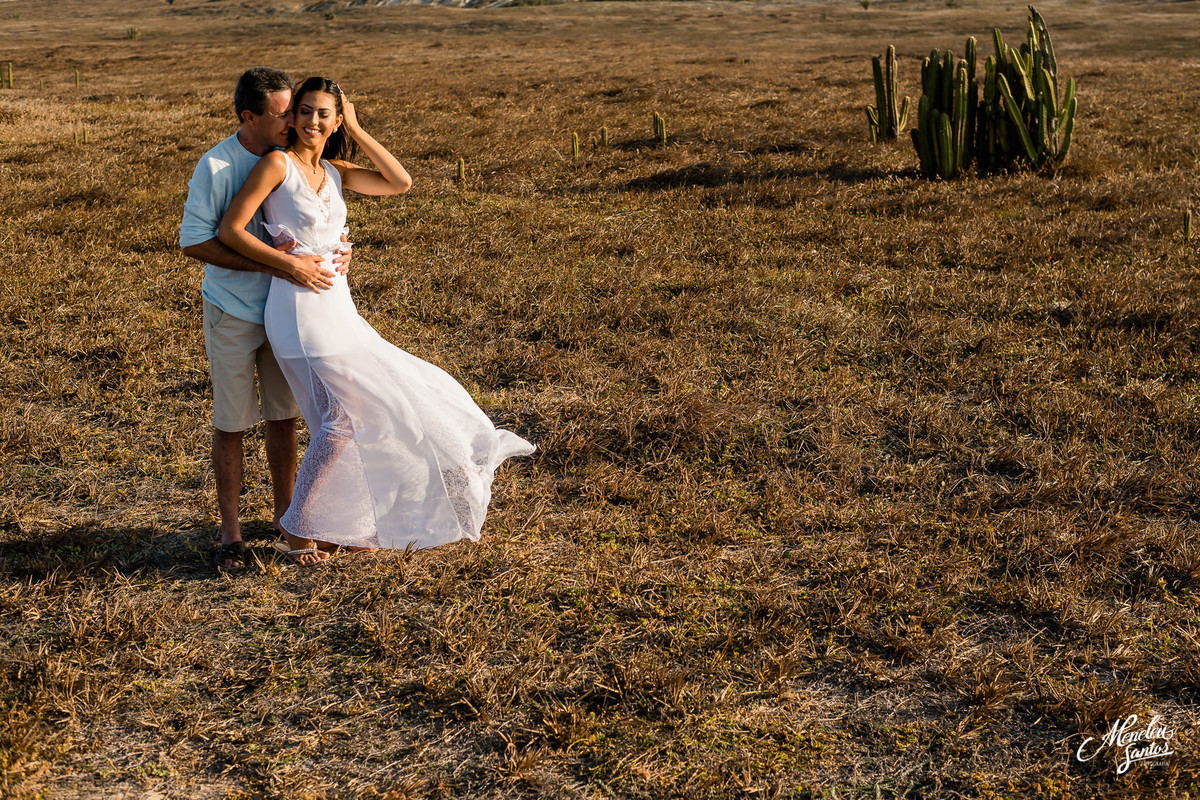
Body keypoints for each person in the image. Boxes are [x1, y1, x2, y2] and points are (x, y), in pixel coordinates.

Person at [218, 77, 535, 565]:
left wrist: (358, 128)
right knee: (340, 418)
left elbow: (399, 182)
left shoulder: (335, 171)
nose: (312, 121)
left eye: (324, 114)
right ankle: (298, 527)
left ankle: (332, 523)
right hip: (298, 309)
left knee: (362, 412)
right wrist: (289, 262)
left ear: (336, 121)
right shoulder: (277, 165)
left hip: (338, 306)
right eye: (305, 111)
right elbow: (231, 230)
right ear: (293, 116)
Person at [180, 67, 352, 571]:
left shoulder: (297, 159)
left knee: (284, 417)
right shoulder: (217, 165)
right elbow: (195, 241)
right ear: (248, 117)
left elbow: (318, 215)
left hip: (291, 314)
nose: (294, 122)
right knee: (232, 423)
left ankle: (288, 520)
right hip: (233, 310)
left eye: (295, 111)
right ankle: (230, 535)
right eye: (283, 114)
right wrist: (282, 265)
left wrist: (337, 251)